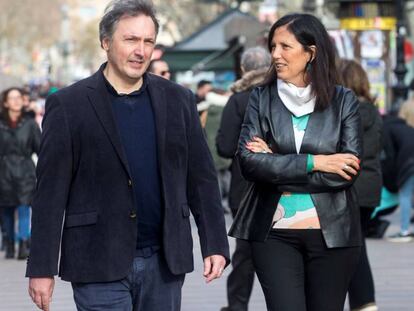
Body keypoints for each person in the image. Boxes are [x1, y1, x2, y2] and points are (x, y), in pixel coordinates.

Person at [26, 1, 230, 311]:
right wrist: (41, 266)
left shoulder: (178, 100)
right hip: (97, 259)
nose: (141, 50)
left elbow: (200, 178)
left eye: (148, 41)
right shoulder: (69, 105)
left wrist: (214, 242)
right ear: (106, 43)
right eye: (131, 39)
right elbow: (49, 192)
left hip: (165, 261)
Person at [229, 13, 362, 311]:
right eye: (272, 46)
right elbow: (249, 164)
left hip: (333, 235)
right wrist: (316, 162)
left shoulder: (343, 101)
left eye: (285, 46)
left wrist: (275, 162)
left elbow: (347, 171)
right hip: (273, 234)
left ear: (311, 52)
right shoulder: (261, 98)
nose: (275, 54)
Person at [216, 46, 271, 311]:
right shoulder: (281, 96)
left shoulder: (237, 101)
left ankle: (237, 306)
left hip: (245, 188)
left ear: (243, 70)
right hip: (282, 185)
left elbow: (225, 147)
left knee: (246, 254)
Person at [339, 59, 382, 311]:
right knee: (357, 244)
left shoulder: (347, 110)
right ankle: (362, 302)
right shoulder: (374, 111)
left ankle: (364, 302)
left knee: (353, 248)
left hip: (351, 185)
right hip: (371, 187)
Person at [0, 87, 41, 259]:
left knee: (24, 208)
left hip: (25, 172)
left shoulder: (30, 123)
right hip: (3, 172)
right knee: (6, 210)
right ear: (5, 103)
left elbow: (41, 148)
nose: (16, 101)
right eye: (12, 98)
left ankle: (24, 243)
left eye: (19, 97)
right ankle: (9, 242)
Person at [384, 108, 414, 242]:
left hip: (409, 162)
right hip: (410, 159)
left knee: (405, 195)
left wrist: (391, 177)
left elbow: (390, 155)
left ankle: (404, 232)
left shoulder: (387, 128)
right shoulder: (405, 127)